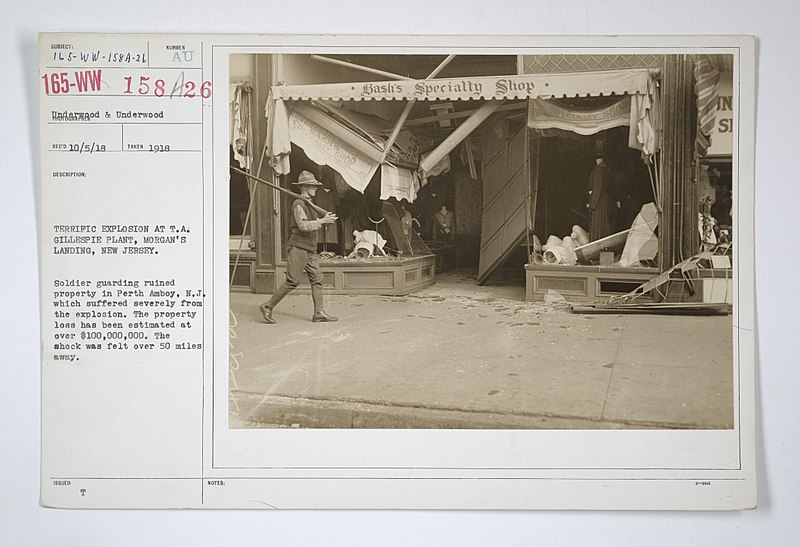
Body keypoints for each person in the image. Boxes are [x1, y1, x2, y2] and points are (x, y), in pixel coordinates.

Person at [259, 171, 339, 324]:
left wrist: (323, 220)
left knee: (317, 279)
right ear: (304, 187)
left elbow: (311, 223)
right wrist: (322, 221)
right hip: (298, 248)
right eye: (312, 186)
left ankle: (319, 313)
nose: (316, 188)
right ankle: (267, 306)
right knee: (292, 281)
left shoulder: (308, 203)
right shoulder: (299, 204)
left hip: (310, 248)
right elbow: (303, 226)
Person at [587, 156, 615, 240]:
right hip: (605, 202)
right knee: (605, 227)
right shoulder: (606, 170)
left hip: (599, 204)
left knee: (599, 227)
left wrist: (592, 205)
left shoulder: (598, 171)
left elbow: (597, 189)